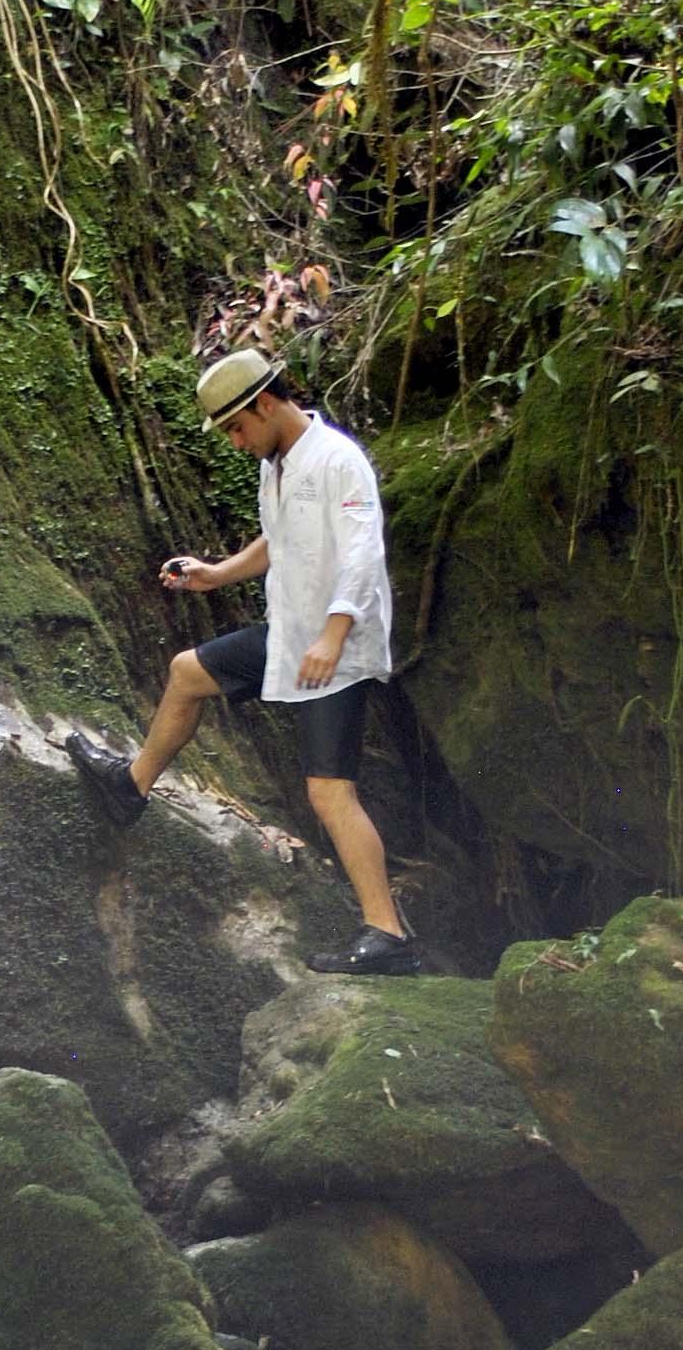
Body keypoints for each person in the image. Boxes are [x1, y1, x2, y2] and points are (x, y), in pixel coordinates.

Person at [64, 346, 419, 975]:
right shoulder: (275, 464)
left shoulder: (338, 461)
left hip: (333, 648)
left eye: (236, 426)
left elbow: (363, 557)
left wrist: (334, 637)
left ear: (266, 402)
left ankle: (386, 933)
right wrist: (216, 574)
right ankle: (130, 787)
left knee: (330, 792)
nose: (234, 441)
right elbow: (278, 541)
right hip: (293, 635)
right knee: (187, 673)